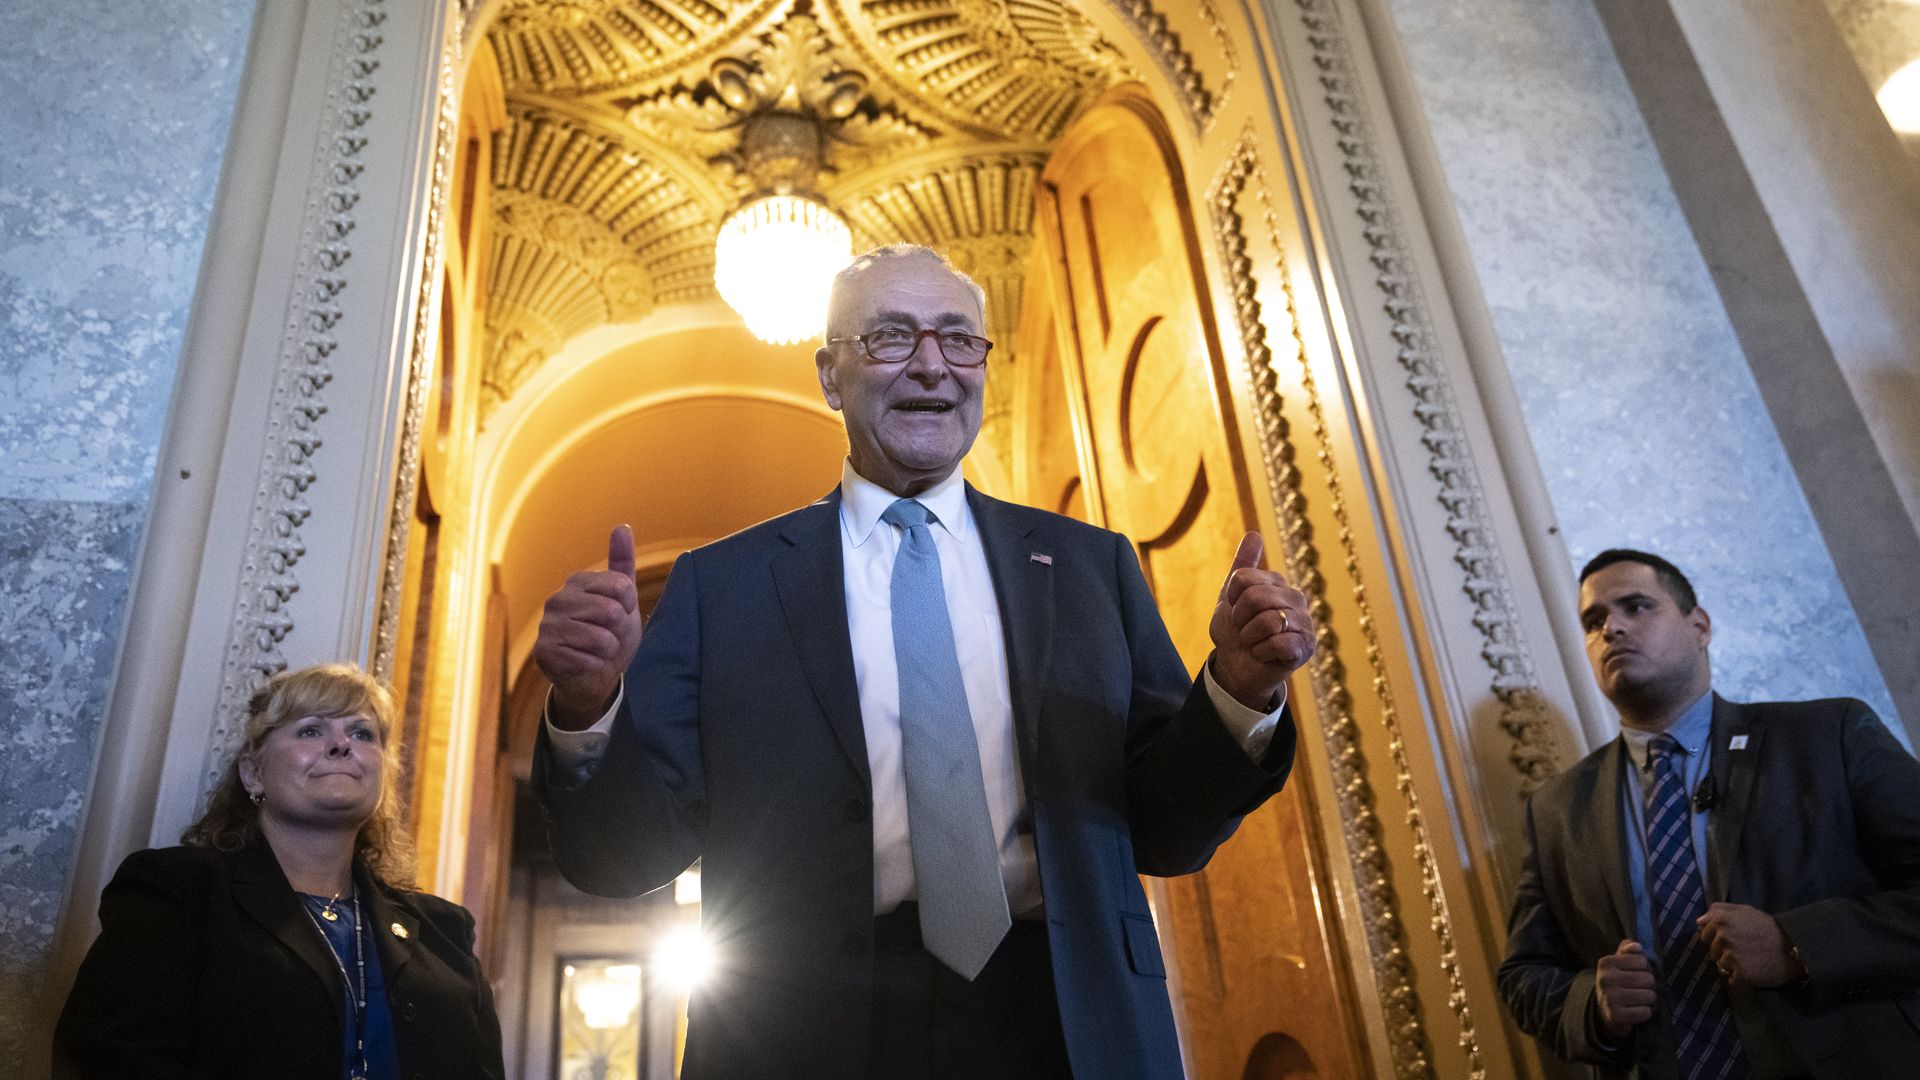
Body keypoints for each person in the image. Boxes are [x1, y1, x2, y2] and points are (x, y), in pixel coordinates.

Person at [532, 244, 1314, 1079]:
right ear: (831, 376)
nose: (933, 365)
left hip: (1067, 1017)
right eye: (892, 338)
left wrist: (1237, 690)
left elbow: (1167, 832)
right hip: (806, 1028)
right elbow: (624, 855)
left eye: (958, 338)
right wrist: (587, 708)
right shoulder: (721, 587)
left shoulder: (1091, 566)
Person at [1499, 549, 1920, 1079]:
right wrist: (1593, 1004)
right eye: (1594, 621)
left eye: (1637, 607)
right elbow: (1524, 975)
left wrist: (1797, 944)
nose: (1613, 629)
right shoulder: (1557, 810)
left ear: (1699, 626)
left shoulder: (1828, 736)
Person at [54, 663, 505, 1080]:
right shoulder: (177, 891)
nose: (341, 743)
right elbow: (108, 1060)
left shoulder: (444, 932)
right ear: (253, 775)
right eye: (311, 729)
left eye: (363, 734)